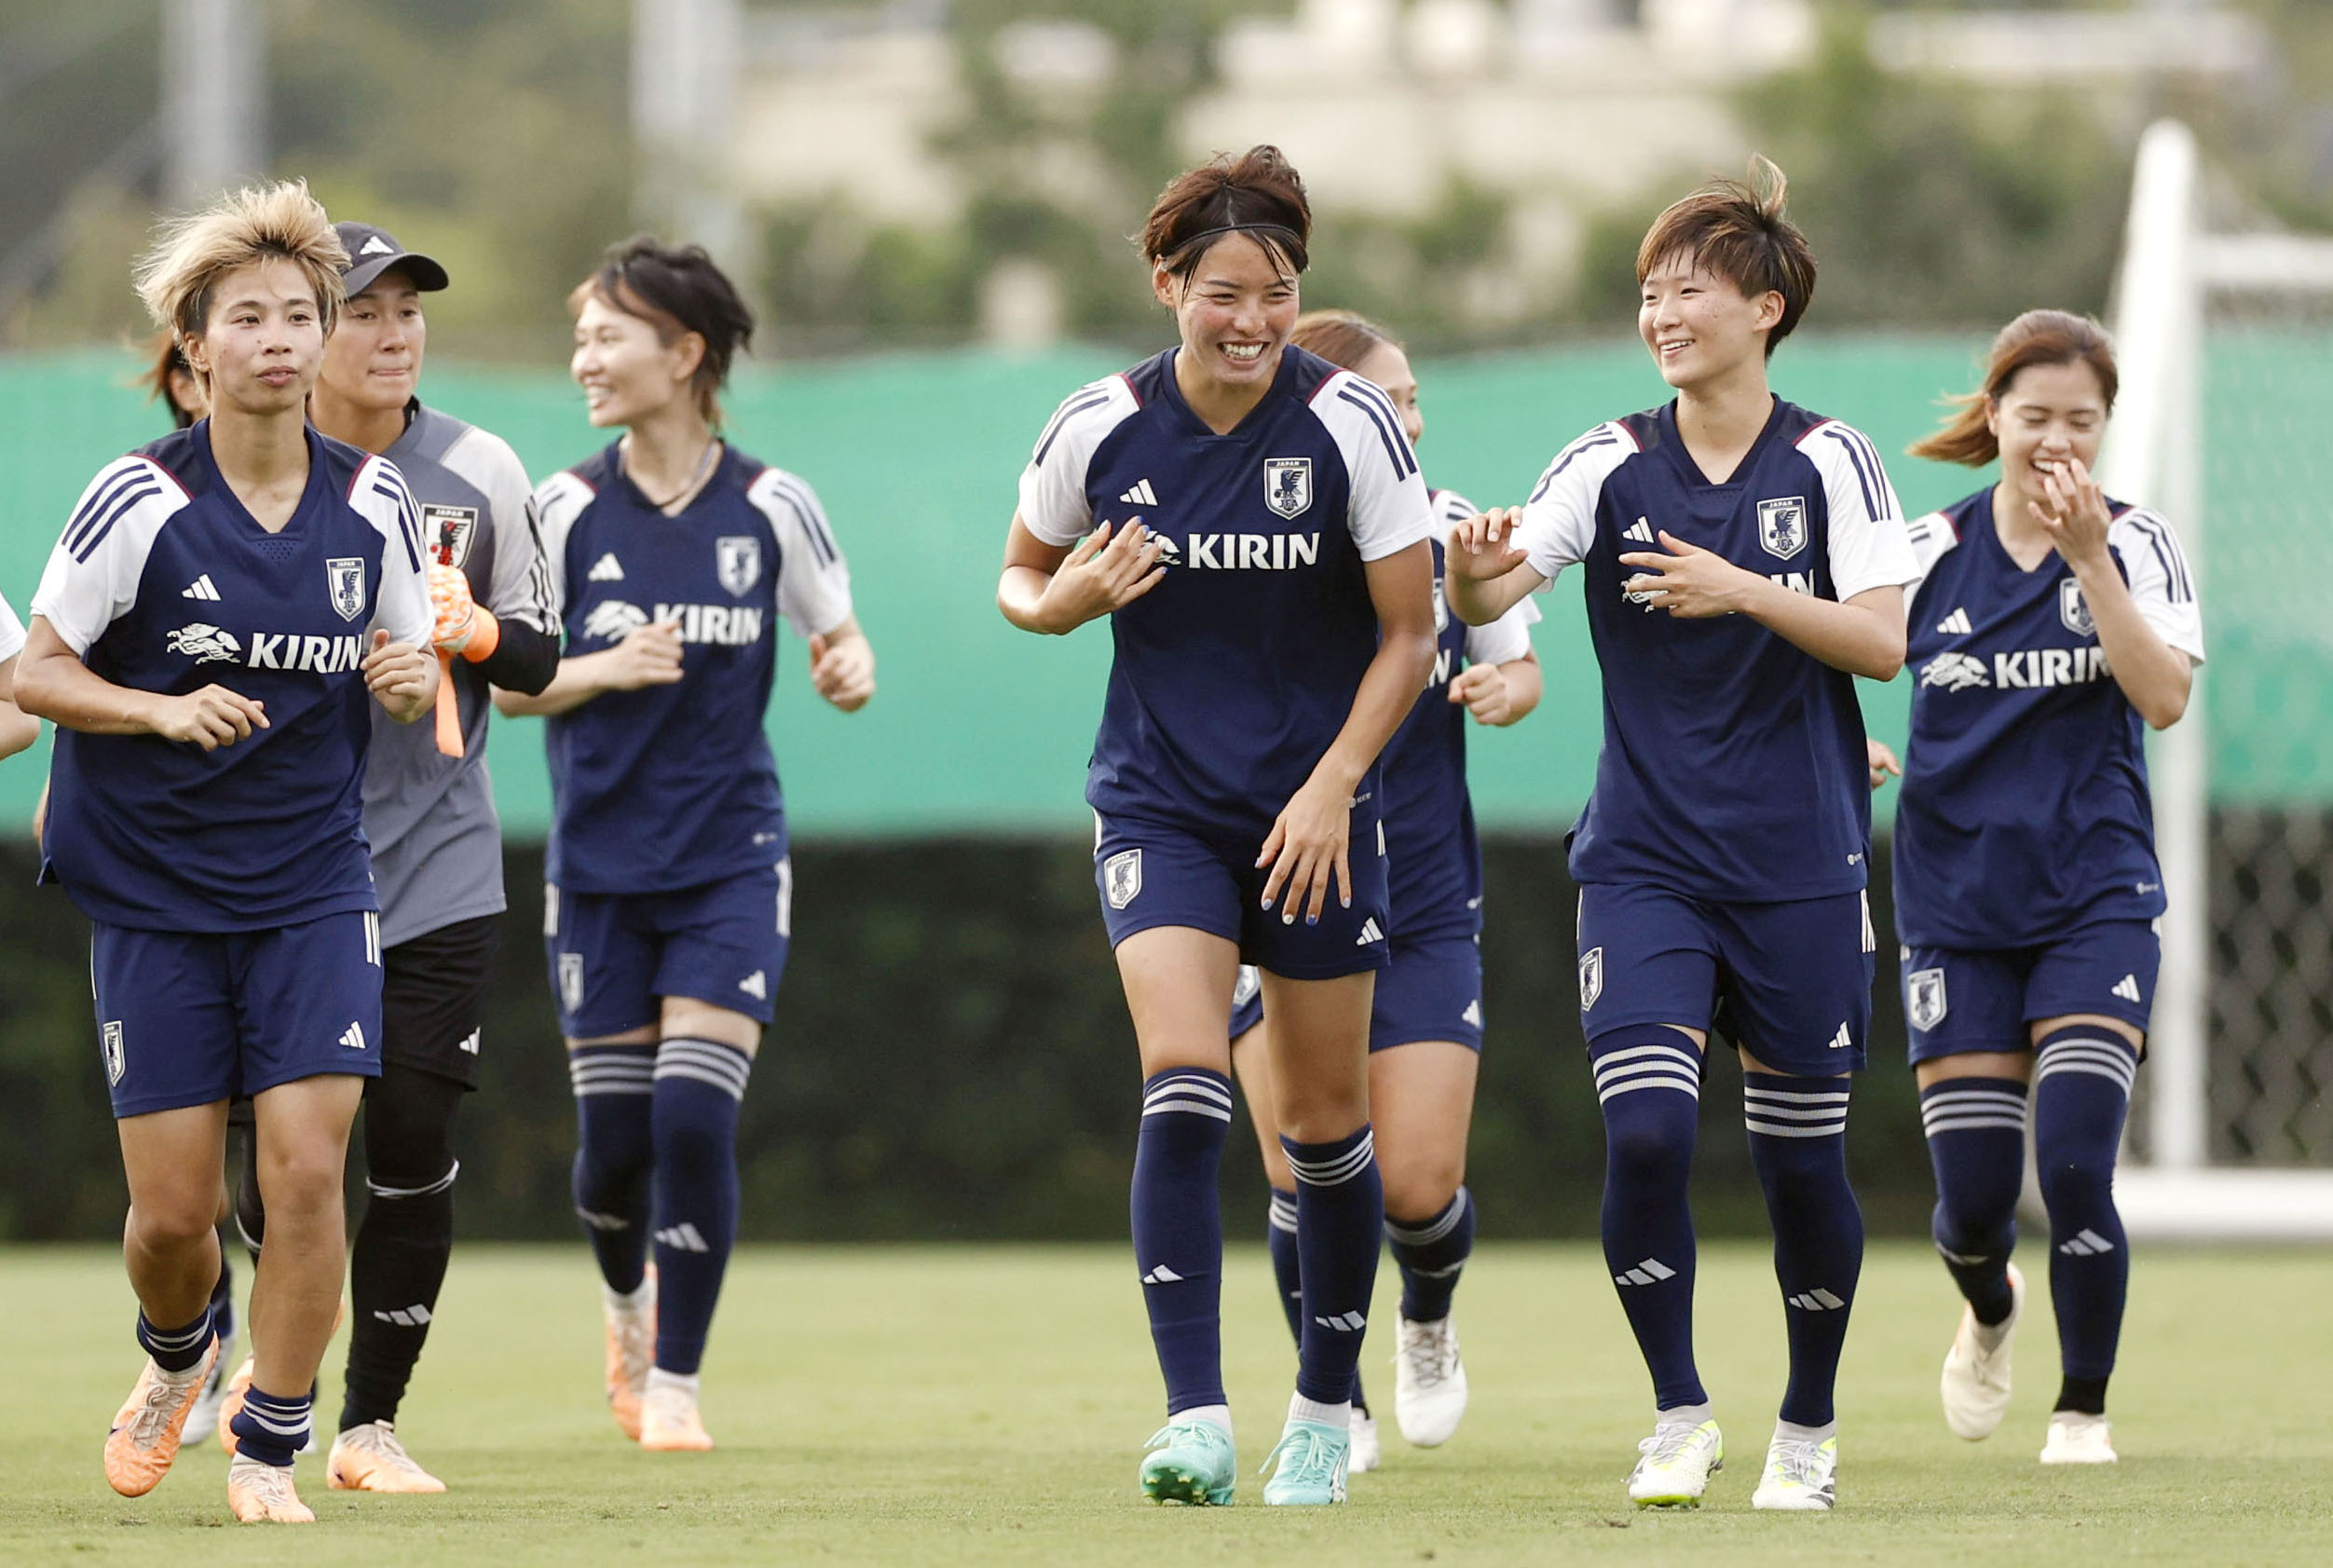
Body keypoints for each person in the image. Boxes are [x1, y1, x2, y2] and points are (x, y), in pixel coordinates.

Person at [1445, 158, 1915, 1512]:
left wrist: (1742, 588)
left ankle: (1809, 1428)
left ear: (1765, 308)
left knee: (1799, 1156)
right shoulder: (1607, 457)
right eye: (1649, 293)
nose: (1662, 313)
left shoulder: (1830, 457)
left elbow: (1881, 639)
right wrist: (1478, 567)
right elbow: (1503, 576)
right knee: (1646, 1136)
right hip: (1644, 860)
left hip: (1801, 866)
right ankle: (1676, 1409)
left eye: (1690, 290)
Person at [998, 147, 1438, 1507]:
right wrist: (1063, 602)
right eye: (1224, 294)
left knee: (1323, 1127)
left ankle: (1322, 1404)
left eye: (1278, 294)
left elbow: (1411, 631)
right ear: (1169, 285)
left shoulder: (1351, 425)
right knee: (1184, 1074)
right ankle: (1196, 1411)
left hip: (1315, 817)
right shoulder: (1099, 427)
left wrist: (1333, 783)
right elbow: (1018, 576)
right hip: (1160, 804)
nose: (1251, 322)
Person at [11, 181, 436, 1525]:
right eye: (242, 315)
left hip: (313, 880)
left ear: (320, 342)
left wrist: (413, 676)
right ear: (192, 347)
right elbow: (36, 671)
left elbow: (411, 671)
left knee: (309, 1170)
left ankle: (271, 1435)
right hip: (152, 888)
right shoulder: (137, 498)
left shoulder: (377, 504)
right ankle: (178, 1352)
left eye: (297, 314)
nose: (275, 336)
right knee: (173, 1223)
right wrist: (155, 704)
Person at [497, 236, 874, 1452]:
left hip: (729, 857)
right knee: (613, 1153)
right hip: (599, 872)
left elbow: (839, 634)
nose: (584, 360)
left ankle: (677, 1382)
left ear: (685, 352)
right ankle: (625, 1305)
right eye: (581, 338)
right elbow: (510, 688)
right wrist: (603, 665)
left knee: (695, 1117)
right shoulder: (559, 506)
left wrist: (848, 662)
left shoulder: (775, 504)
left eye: (607, 336)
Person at [215, 221, 561, 1491]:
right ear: (306, 335)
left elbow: (541, 655)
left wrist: (476, 635)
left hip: (440, 858)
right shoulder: (250, 474)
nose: (394, 331)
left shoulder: (481, 464)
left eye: (409, 310)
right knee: (283, 1154)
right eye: (364, 311)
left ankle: (369, 1422)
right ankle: (258, 1362)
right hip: (278, 858)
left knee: (412, 1132)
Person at [1224, 309, 1542, 1471]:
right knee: (1295, 1161)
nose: (1407, 417)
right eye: (1384, 399)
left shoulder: (1451, 527)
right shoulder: (1243, 527)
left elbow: (1512, 657)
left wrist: (1506, 686)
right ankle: (1332, 1400)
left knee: (1413, 1184)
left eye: (1412, 398)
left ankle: (1424, 1317)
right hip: (1277, 888)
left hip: (1418, 903)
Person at [1892, 309, 2202, 1466]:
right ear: (1994, 418)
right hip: (1955, 910)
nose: (2057, 440)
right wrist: (1852, 753)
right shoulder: (1925, 551)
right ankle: (1986, 1308)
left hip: (2093, 898)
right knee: (1971, 1209)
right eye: (2034, 418)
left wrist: (2087, 563)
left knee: (2073, 1159)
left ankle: (2081, 1410)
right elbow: (1843, 661)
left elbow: (2162, 697)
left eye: (2081, 419)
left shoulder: (2139, 542)